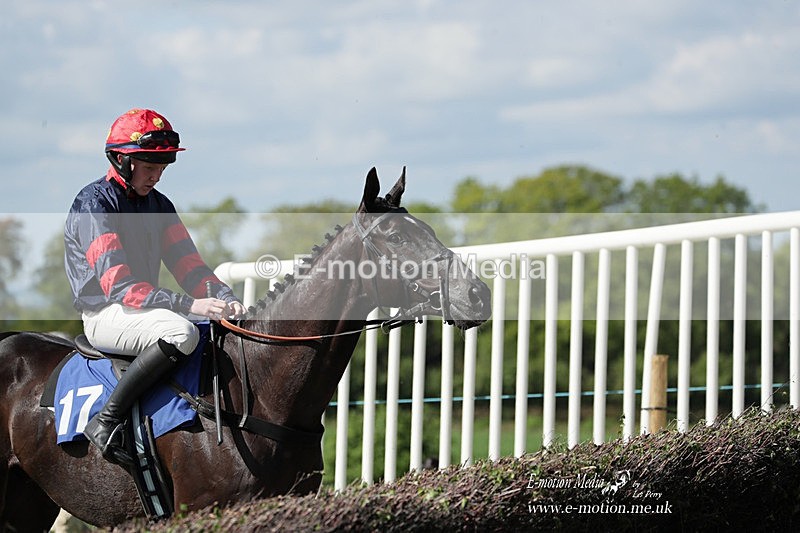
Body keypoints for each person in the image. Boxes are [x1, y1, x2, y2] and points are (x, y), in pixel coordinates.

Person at [64, 108, 247, 465]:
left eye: (162, 168)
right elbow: (120, 286)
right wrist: (191, 306)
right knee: (182, 334)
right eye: (150, 168)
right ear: (122, 160)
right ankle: (106, 421)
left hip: (144, 310)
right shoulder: (93, 205)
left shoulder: (160, 206)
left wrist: (226, 297)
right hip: (106, 313)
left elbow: (191, 268)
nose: (156, 177)